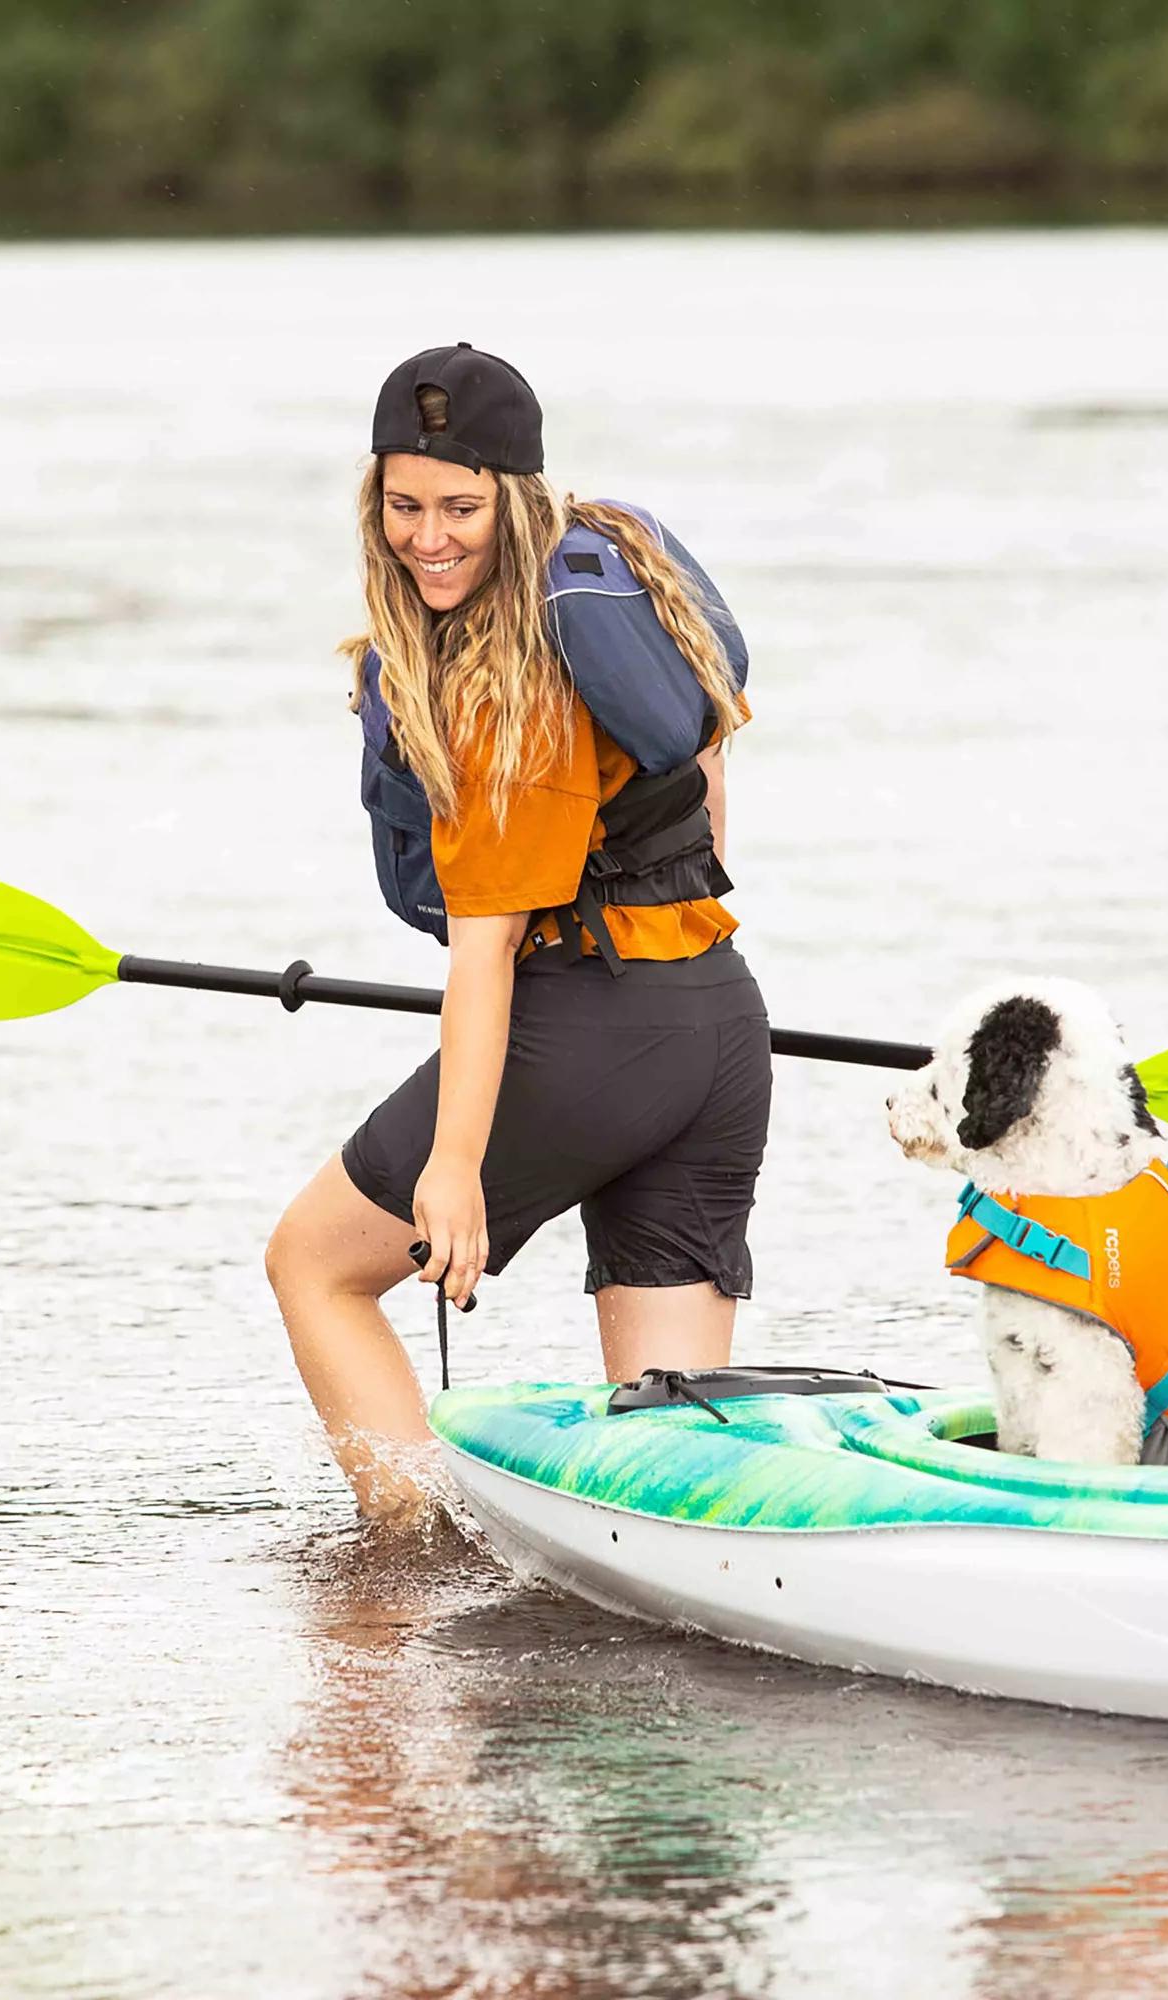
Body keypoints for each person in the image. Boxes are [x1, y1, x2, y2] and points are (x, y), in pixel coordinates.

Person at [265, 343, 772, 1524]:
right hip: (715, 1027)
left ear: (516, 499)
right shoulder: (632, 620)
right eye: (403, 505)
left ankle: (416, 1549)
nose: (427, 536)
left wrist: (452, 1169)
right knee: (671, 1439)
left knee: (315, 1264)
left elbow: (481, 953)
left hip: (585, 1042)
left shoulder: (503, 693)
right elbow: (706, 790)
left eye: (459, 505)